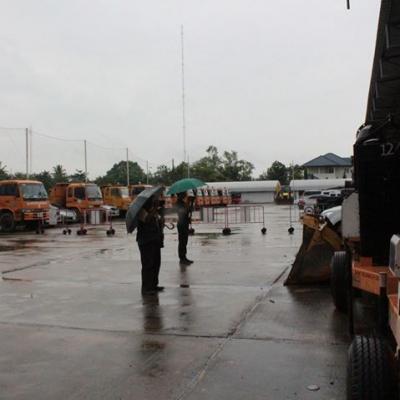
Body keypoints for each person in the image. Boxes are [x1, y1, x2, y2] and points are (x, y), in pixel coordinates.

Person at [136, 194, 164, 295]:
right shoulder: (141, 211)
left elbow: (158, 223)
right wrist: (155, 208)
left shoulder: (154, 211)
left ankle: (154, 285)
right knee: (148, 265)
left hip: (155, 240)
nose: (153, 202)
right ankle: (146, 288)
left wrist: (161, 219)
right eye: (152, 201)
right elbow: (147, 219)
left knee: (156, 264)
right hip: (146, 241)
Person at [176, 192, 193, 265]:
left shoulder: (182, 202)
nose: (186, 195)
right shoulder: (179, 203)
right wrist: (189, 202)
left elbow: (187, 211)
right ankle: (182, 258)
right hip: (182, 224)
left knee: (184, 241)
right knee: (182, 242)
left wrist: (190, 203)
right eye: (184, 194)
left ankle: (184, 257)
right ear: (181, 195)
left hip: (184, 223)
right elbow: (184, 212)